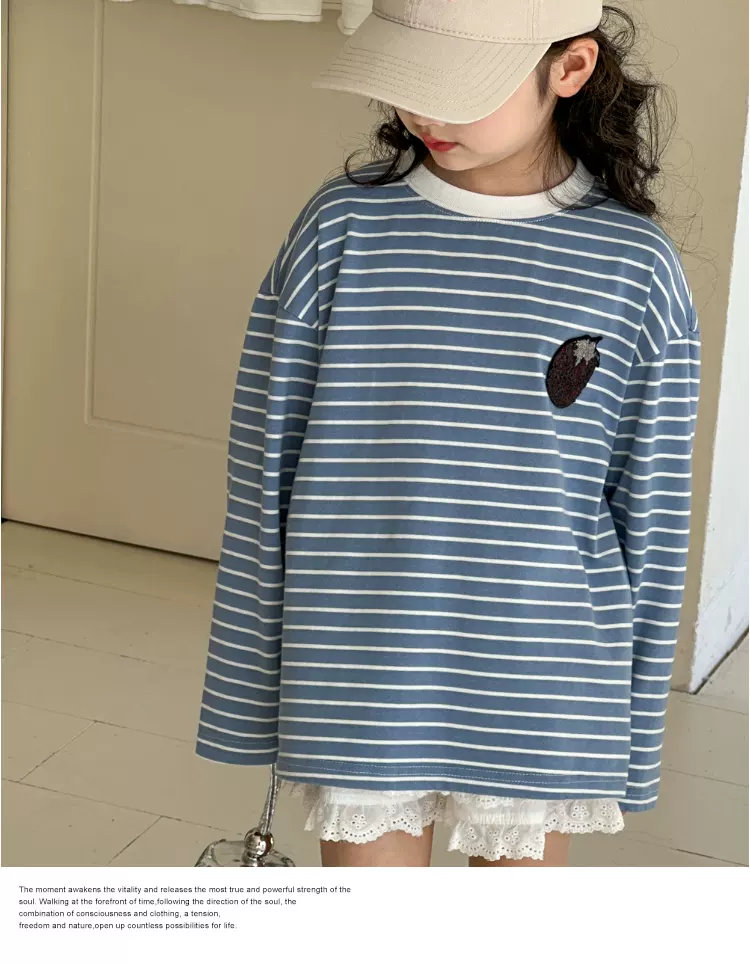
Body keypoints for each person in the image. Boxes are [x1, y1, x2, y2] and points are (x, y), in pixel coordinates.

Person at [195, 0, 701, 867]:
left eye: (458, 85)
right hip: (363, 656)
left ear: (570, 68)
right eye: (408, 78)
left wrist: (634, 735)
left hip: (542, 671)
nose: (422, 110)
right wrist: (253, 689)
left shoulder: (634, 267)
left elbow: (651, 521)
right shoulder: (340, 230)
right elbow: (262, 474)